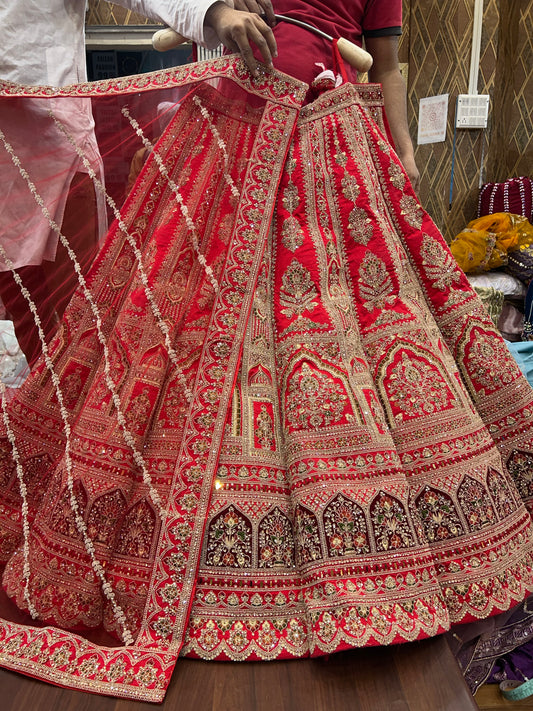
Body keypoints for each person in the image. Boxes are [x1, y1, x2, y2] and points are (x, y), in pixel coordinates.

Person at [1, 0, 533, 702]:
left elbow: (390, 62)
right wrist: (213, 21)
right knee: (180, 313)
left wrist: (400, 150)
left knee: (332, 324)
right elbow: (192, 12)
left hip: (329, 131)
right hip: (226, 118)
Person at [0, 0, 276, 368]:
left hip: (54, 146)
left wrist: (212, 11)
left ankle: (87, 416)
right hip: (6, 160)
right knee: (27, 318)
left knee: (82, 318)